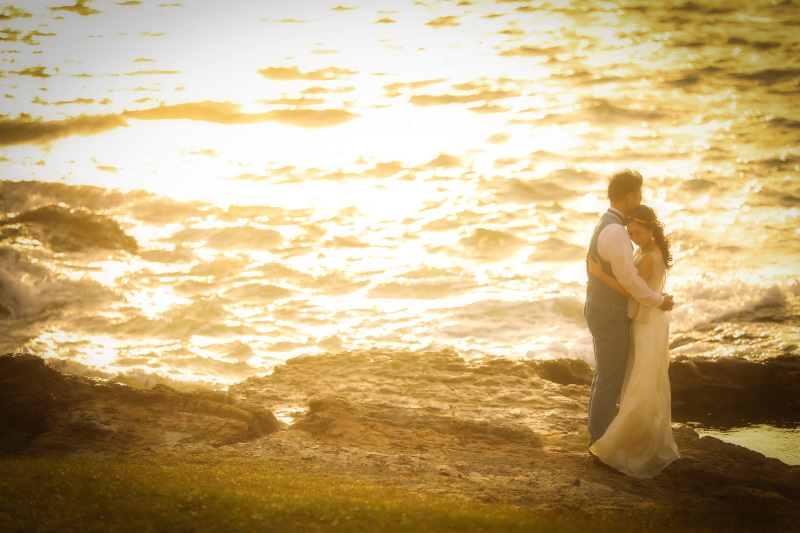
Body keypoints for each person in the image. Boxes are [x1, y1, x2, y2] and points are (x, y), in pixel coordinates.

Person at [587, 205, 680, 478]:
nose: (633, 237)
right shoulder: (647, 251)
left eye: (637, 232)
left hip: (647, 324)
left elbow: (632, 291)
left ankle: (628, 442)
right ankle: (638, 439)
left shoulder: (649, 256)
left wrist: (600, 274)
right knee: (642, 381)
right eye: (630, 232)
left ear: (651, 229)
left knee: (642, 383)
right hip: (646, 321)